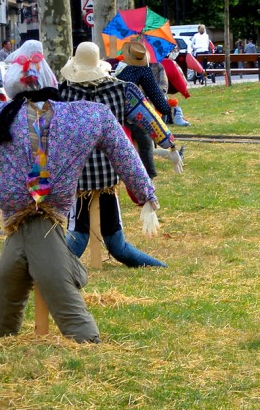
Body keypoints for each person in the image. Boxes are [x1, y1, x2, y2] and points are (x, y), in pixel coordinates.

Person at [0, 41, 158, 343]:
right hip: (42, 208)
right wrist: (145, 193)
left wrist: (145, 192)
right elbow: (125, 152)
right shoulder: (87, 115)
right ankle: (2, 330)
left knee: (49, 274)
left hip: (43, 209)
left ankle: (83, 335)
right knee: (12, 269)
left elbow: (124, 152)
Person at [58, 41, 181, 269]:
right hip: (109, 172)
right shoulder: (122, 90)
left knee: (79, 237)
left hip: (77, 176)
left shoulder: (62, 93)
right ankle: (160, 267)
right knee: (116, 243)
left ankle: (45, 271)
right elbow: (150, 119)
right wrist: (170, 146)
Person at [115, 39, 172, 179]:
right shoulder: (143, 70)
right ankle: (148, 177)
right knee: (145, 142)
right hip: (131, 117)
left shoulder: (118, 69)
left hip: (113, 117)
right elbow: (161, 103)